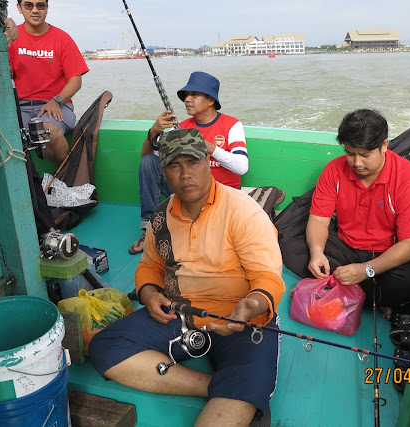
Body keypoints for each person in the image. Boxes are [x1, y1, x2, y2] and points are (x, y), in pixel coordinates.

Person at [90, 128, 284, 426]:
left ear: (208, 162)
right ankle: (216, 386)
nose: (184, 174)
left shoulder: (245, 212)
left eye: (192, 162)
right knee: (105, 347)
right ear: (163, 171)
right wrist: (149, 294)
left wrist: (249, 307)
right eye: (174, 165)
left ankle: (237, 387)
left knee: (244, 386)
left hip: (242, 320)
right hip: (181, 314)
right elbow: (150, 266)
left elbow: (268, 278)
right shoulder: (160, 216)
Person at [280, 109, 410, 318]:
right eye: (350, 154)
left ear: (384, 145)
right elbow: (318, 220)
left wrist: (366, 270)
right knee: (291, 250)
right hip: (343, 246)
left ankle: (330, 288)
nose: (357, 163)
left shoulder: (407, 179)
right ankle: (368, 297)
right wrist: (316, 253)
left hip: (384, 255)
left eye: (365, 155)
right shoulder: (334, 170)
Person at [129, 71, 248, 254]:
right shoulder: (182, 128)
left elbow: (242, 167)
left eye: (194, 95)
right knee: (148, 163)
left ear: (210, 101)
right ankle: (150, 228)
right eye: (186, 95)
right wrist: (153, 132)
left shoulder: (231, 125)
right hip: (188, 191)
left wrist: (208, 147)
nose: (187, 99)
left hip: (218, 195)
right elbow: (148, 158)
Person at [5, 0, 89, 165]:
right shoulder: (11, 38)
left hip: (55, 105)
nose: (35, 10)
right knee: (3, 136)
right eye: (29, 5)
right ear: (19, 8)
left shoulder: (62, 38)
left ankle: (67, 177)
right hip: (20, 106)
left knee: (49, 133)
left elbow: (76, 80)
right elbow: (2, 75)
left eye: (40, 5)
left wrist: (57, 100)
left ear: (47, 8)